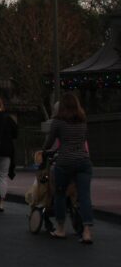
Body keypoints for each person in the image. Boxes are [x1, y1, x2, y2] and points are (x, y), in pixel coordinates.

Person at [43, 92, 94, 243]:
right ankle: (86, 232)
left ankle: (60, 229)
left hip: (65, 162)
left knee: (59, 194)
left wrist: (45, 150)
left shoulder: (58, 122)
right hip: (83, 161)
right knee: (84, 196)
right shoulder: (82, 120)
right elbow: (83, 140)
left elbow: (50, 140)